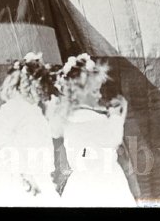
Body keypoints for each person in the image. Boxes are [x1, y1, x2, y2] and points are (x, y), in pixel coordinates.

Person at [0, 53, 60, 206]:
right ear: (36, 89)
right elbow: (47, 161)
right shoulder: (36, 118)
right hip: (30, 186)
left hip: (0, 188)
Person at [52, 53, 136, 207]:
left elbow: (55, 131)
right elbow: (115, 138)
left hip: (81, 181)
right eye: (94, 91)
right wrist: (118, 114)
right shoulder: (96, 119)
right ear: (77, 94)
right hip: (105, 180)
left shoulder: (67, 119)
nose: (98, 95)